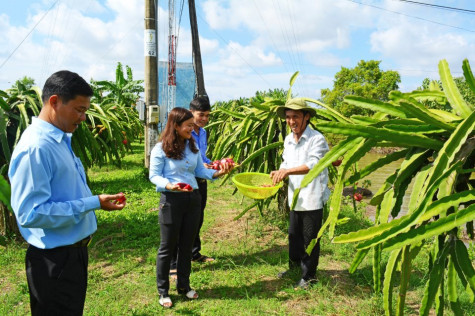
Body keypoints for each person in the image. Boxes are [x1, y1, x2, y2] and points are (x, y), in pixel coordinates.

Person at [8, 70, 126, 315]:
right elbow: (31, 213)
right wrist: (89, 203)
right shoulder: (37, 148)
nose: (83, 118)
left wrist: (95, 203)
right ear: (54, 102)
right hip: (55, 261)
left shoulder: (59, 140)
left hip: (71, 255)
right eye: (79, 109)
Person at [149, 107, 231, 308]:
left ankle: (184, 286)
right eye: (188, 126)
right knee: (167, 247)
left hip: (192, 199)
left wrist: (220, 172)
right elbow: (154, 176)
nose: (191, 129)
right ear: (175, 126)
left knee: (186, 245)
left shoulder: (192, 146)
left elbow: (200, 171)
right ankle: (163, 291)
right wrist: (169, 185)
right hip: (171, 200)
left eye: (192, 126)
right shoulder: (160, 149)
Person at [270, 98, 330, 290]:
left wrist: (287, 172)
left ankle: (309, 276)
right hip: (295, 195)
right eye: (288, 117)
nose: (291, 121)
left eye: (295, 116)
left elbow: (314, 165)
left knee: (310, 239)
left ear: (307, 117)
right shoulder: (288, 139)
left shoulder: (317, 139)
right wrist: (279, 171)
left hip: (312, 196)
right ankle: (295, 267)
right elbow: (285, 162)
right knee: (294, 235)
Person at [169, 97, 214, 279]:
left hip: (200, 181)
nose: (204, 119)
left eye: (207, 116)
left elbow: (201, 157)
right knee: (178, 224)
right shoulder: (182, 133)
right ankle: (173, 263)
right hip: (185, 182)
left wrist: (213, 164)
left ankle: (194, 253)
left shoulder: (202, 133)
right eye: (201, 115)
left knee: (197, 220)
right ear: (191, 112)